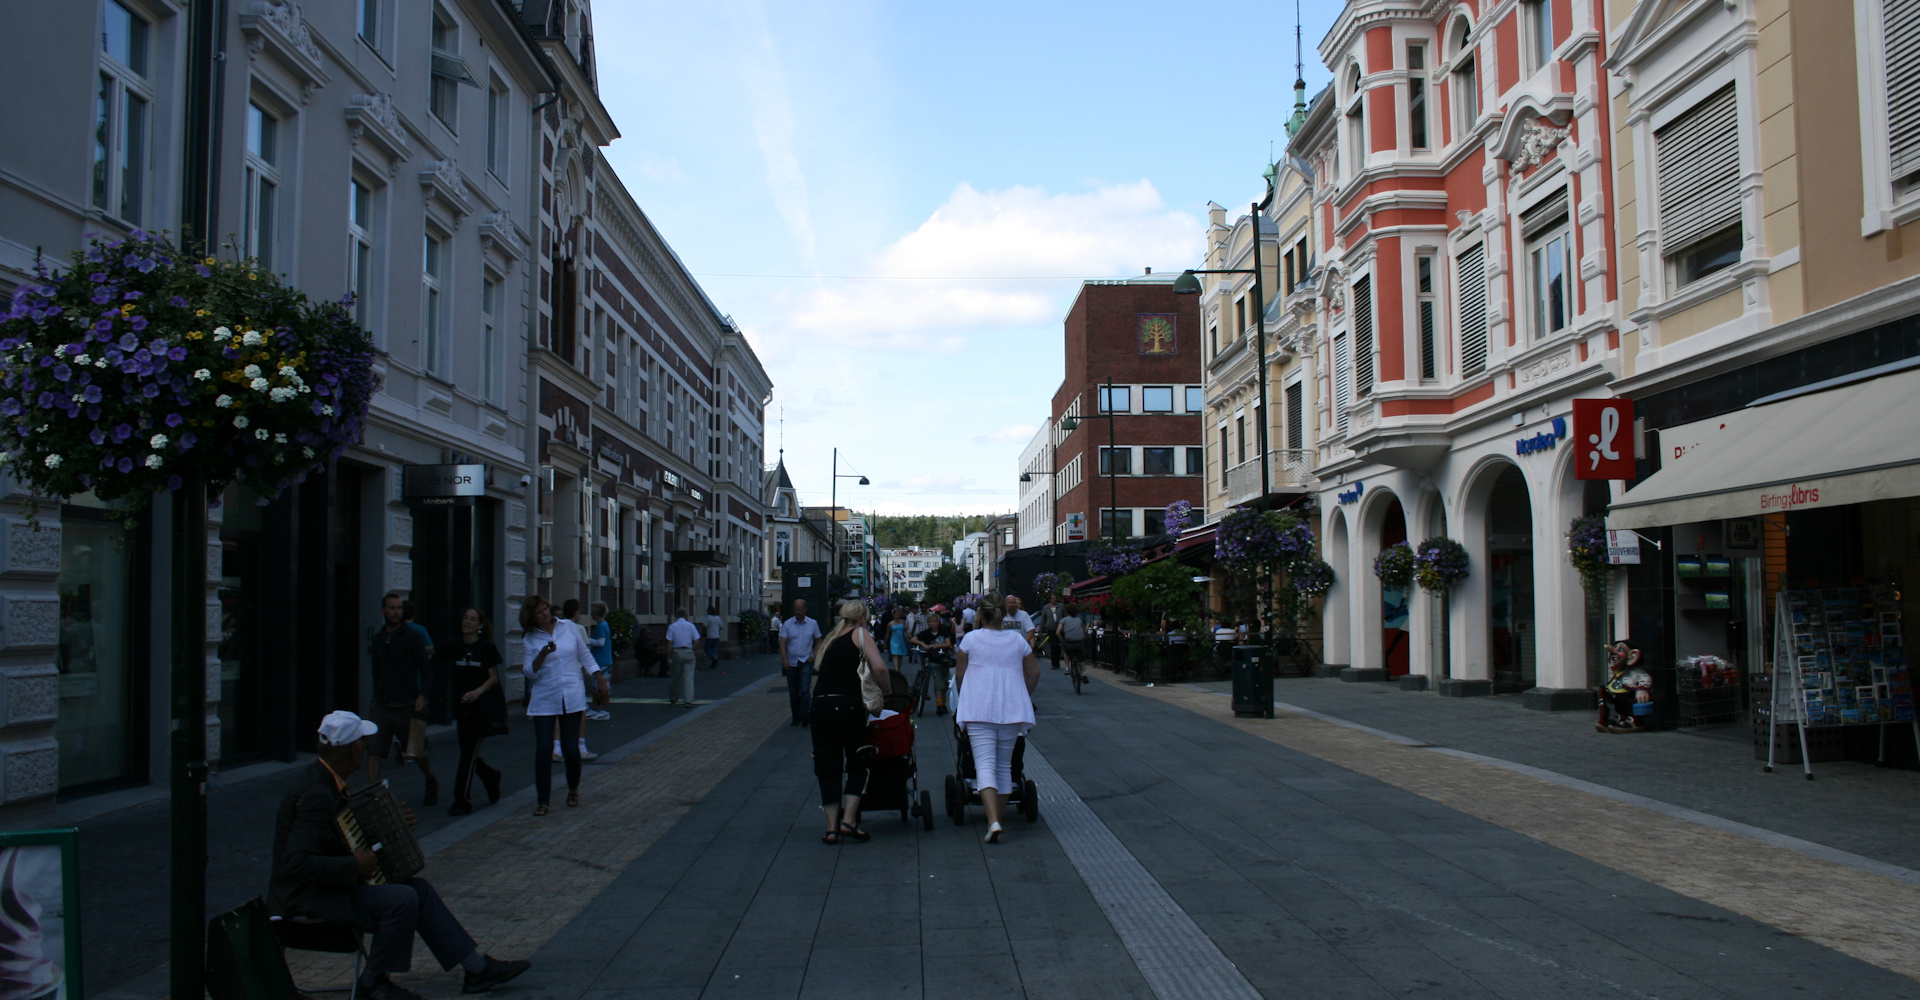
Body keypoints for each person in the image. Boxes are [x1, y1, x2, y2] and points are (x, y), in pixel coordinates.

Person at [270, 710, 530, 1000]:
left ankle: (476, 968)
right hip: (308, 898)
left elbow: (339, 839)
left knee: (419, 889)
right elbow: (295, 863)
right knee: (402, 899)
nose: (366, 748)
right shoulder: (318, 794)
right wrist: (353, 865)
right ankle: (373, 983)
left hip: (327, 887)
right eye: (363, 742)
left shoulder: (328, 781)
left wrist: (390, 827)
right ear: (354, 749)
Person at [955, 596, 1040, 843]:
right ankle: (996, 819)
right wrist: (1022, 694)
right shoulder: (1017, 640)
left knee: (984, 765)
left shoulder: (970, 639)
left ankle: (993, 821)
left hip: (979, 709)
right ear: (1003, 614)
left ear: (981, 615)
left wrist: (965, 698)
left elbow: (960, 675)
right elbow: (1034, 673)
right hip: (1011, 709)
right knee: (1004, 767)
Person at [810, 599, 892, 844]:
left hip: (820, 706)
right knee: (858, 760)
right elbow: (880, 668)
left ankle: (831, 828)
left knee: (828, 765)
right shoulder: (861, 634)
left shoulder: (830, 639)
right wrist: (887, 691)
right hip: (848, 705)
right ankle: (848, 821)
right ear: (863, 617)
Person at [521, 596, 606, 815]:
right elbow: (529, 672)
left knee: (570, 749)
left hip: (571, 695)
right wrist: (542, 654)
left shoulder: (567, 627)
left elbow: (585, 655)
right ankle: (543, 800)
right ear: (532, 617)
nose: (545, 614)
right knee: (544, 749)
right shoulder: (530, 639)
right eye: (539, 612)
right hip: (545, 698)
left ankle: (573, 787)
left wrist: (599, 678)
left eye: (546, 609)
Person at [367, 593, 437, 806]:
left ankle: (430, 779)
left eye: (399, 608)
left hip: (407, 705)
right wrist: (376, 696)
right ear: (383, 610)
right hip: (382, 705)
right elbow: (376, 671)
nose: (396, 612)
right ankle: (373, 795)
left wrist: (422, 695)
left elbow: (425, 669)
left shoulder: (412, 636)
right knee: (374, 750)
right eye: (392, 608)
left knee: (416, 751)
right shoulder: (378, 639)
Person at [436, 608, 505, 817]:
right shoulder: (454, 645)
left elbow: (493, 677)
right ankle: (490, 776)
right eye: (465, 618)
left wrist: (477, 692)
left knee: (467, 755)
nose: (467, 621)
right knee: (468, 752)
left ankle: (462, 800)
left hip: (480, 710)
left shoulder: (487, 648)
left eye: (473, 619)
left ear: (480, 625)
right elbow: (430, 651)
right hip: (462, 709)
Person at [400, 600, 442, 780]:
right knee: (417, 716)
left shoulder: (397, 631)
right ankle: (412, 749)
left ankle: (403, 744)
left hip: (401, 682)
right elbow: (431, 652)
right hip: (417, 680)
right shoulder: (420, 630)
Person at [553, 600, 598, 762]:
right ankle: (580, 745)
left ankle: (557, 747)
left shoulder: (554, 631)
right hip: (575, 673)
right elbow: (585, 651)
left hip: (559, 674)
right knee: (580, 710)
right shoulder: (577, 628)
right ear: (576, 612)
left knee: (558, 711)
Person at [777, 599, 823, 727]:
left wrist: (813, 656)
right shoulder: (788, 624)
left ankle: (805, 715)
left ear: (805, 609)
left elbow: (819, 640)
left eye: (799, 609)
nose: (797, 612)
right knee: (793, 692)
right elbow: (782, 643)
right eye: (795, 609)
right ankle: (796, 717)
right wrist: (784, 659)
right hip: (791, 662)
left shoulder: (812, 624)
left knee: (804, 689)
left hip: (805, 661)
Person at [909, 610, 956, 715]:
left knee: (944, 683)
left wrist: (936, 646)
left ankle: (943, 703)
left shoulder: (943, 631)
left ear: (938, 622)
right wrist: (923, 644)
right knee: (938, 683)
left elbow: (948, 643)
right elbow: (913, 639)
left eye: (934, 621)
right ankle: (939, 705)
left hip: (943, 660)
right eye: (930, 621)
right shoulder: (925, 633)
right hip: (933, 660)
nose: (932, 623)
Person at [584, 603, 614, 722]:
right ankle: (598, 708)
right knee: (599, 688)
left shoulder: (601, 626)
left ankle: (603, 710)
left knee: (602, 688)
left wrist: (588, 640)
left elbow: (601, 642)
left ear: (596, 612)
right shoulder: (603, 625)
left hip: (602, 661)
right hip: (603, 661)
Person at [665, 608, 700, 707]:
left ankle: (673, 699)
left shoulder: (672, 626)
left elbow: (669, 642)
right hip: (688, 651)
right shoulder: (691, 626)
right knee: (688, 678)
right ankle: (688, 700)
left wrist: (668, 656)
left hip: (676, 652)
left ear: (676, 615)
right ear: (686, 615)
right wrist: (694, 652)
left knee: (675, 677)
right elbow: (696, 641)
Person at [1056, 605, 1087, 675]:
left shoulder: (1063, 620)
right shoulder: (1079, 620)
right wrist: (1084, 637)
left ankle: (1067, 667)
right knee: (1082, 658)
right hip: (1079, 641)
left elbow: (1057, 633)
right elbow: (1084, 630)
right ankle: (1083, 672)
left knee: (1066, 652)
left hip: (1069, 642)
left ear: (1067, 612)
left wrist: (1062, 641)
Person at [1037, 598, 1063, 670]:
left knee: (1058, 646)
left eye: (1055, 598)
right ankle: (1054, 663)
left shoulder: (1060, 606)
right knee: (1053, 646)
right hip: (1051, 629)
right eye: (1053, 598)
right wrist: (1041, 629)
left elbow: (1064, 616)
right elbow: (1043, 619)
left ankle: (1057, 661)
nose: (1054, 599)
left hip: (1059, 629)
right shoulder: (1046, 607)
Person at [887, 607, 910, 674]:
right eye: (896, 614)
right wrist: (885, 642)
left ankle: (899, 669)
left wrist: (907, 633)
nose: (898, 616)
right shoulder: (890, 624)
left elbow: (906, 630)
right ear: (893, 615)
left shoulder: (903, 622)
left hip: (901, 640)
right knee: (895, 655)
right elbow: (887, 634)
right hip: (894, 640)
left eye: (899, 614)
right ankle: (896, 669)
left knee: (900, 655)